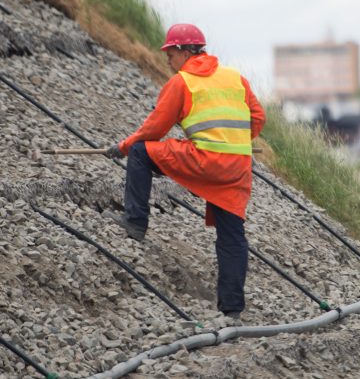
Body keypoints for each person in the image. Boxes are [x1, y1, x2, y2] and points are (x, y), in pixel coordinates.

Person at [106, 23, 265, 320]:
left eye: (170, 53)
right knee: (232, 236)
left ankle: (135, 222)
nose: (167, 60)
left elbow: (155, 128)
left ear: (184, 51)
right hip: (237, 168)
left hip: (204, 161)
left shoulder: (183, 82)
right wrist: (235, 141)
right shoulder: (236, 79)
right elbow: (258, 117)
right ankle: (231, 309)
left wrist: (124, 146)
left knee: (141, 152)